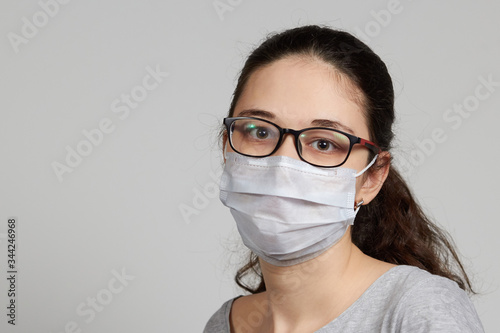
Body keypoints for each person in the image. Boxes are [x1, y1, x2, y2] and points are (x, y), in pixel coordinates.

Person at [204, 25, 484, 333]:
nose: (281, 164)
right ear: (226, 147)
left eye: (324, 143)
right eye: (259, 131)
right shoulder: (225, 324)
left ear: (372, 177)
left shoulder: (420, 310)